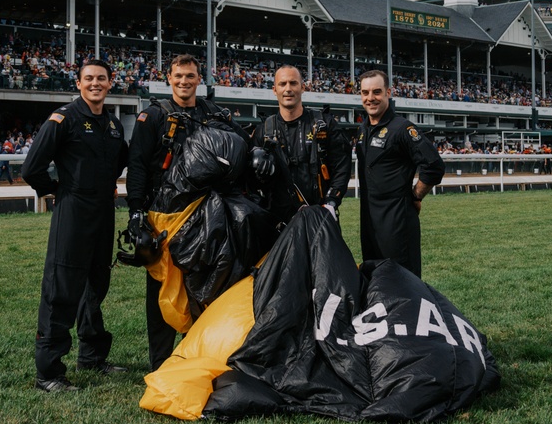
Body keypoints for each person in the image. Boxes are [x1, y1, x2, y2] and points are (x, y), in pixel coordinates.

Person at [126, 54, 249, 371]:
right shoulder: (152, 117)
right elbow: (137, 168)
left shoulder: (214, 113)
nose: (184, 81)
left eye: (190, 76)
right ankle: (161, 364)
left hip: (205, 218)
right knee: (162, 291)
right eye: (179, 76)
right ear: (169, 78)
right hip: (164, 218)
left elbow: (243, 142)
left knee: (206, 289)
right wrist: (136, 214)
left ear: (199, 79)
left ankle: (198, 356)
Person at [21, 59, 129, 392]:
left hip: (103, 213)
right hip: (72, 211)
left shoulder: (113, 125)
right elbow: (32, 168)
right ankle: (49, 372)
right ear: (79, 83)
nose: (95, 83)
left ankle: (92, 357)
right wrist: (57, 190)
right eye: (89, 79)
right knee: (62, 288)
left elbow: (121, 161)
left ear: (110, 84)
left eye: (102, 78)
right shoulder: (63, 119)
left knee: (95, 285)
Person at [355, 69, 444, 278]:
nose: (370, 98)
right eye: (365, 93)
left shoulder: (402, 128)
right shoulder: (362, 130)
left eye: (377, 92)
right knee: (374, 283)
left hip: (397, 223)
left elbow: (434, 165)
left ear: (388, 92)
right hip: (369, 222)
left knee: (402, 285)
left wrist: (416, 195)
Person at [251, 65, 350, 224]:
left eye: (293, 83)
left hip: (320, 217)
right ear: (274, 89)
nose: (288, 89)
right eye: (282, 84)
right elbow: (251, 181)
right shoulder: (263, 132)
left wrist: (331, 202)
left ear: (303, 87)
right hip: (277, 223)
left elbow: (342, 167)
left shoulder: (324, 124)